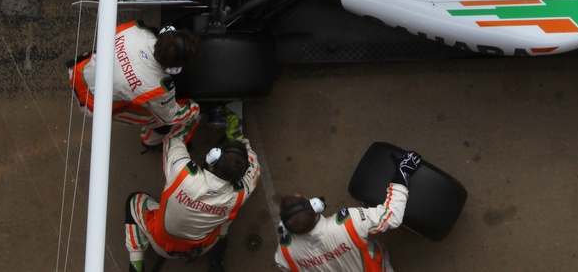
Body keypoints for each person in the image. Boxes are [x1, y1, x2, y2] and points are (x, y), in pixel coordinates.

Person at [124, 113, 259, 272]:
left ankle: (135, 265)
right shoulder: (240, 194)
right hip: (203, 247)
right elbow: (254, 164)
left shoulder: (182, 174)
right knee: (225, 221)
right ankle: (216, 262)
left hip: (163, 245)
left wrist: (192, 116)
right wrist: (237, 135)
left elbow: (173, 139)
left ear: (212, 157)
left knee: (134, 200)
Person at [273, 153, 421, 272]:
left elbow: (284, 266)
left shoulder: (284, 255)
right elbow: (392, 216)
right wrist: (403, 173)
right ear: (316, 207)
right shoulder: (348, 224)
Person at [68, 21, 200, 148]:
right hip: (91, 104)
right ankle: (150, 141)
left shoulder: (134, 28)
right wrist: (194, 108)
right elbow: (169, 116)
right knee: (160, 118)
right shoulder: (160, 87)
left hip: (77, 70)